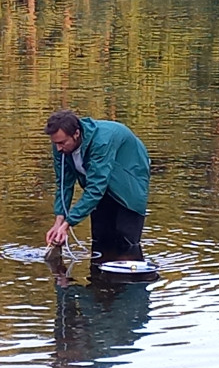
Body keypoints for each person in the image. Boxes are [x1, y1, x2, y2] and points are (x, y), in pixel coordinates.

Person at [44, 109, 150, 259]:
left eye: (62, 143)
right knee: (100, 239)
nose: (58, 148)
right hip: (100, 184)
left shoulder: (102, 141)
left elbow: (95, 188)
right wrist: (59, 222)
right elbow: (63, 184)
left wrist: (68, 223)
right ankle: (98, 279)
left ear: (76, 133)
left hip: (129, 179)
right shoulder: (60, 147)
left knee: (126, 243)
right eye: (55, 143)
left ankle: (131, 278)